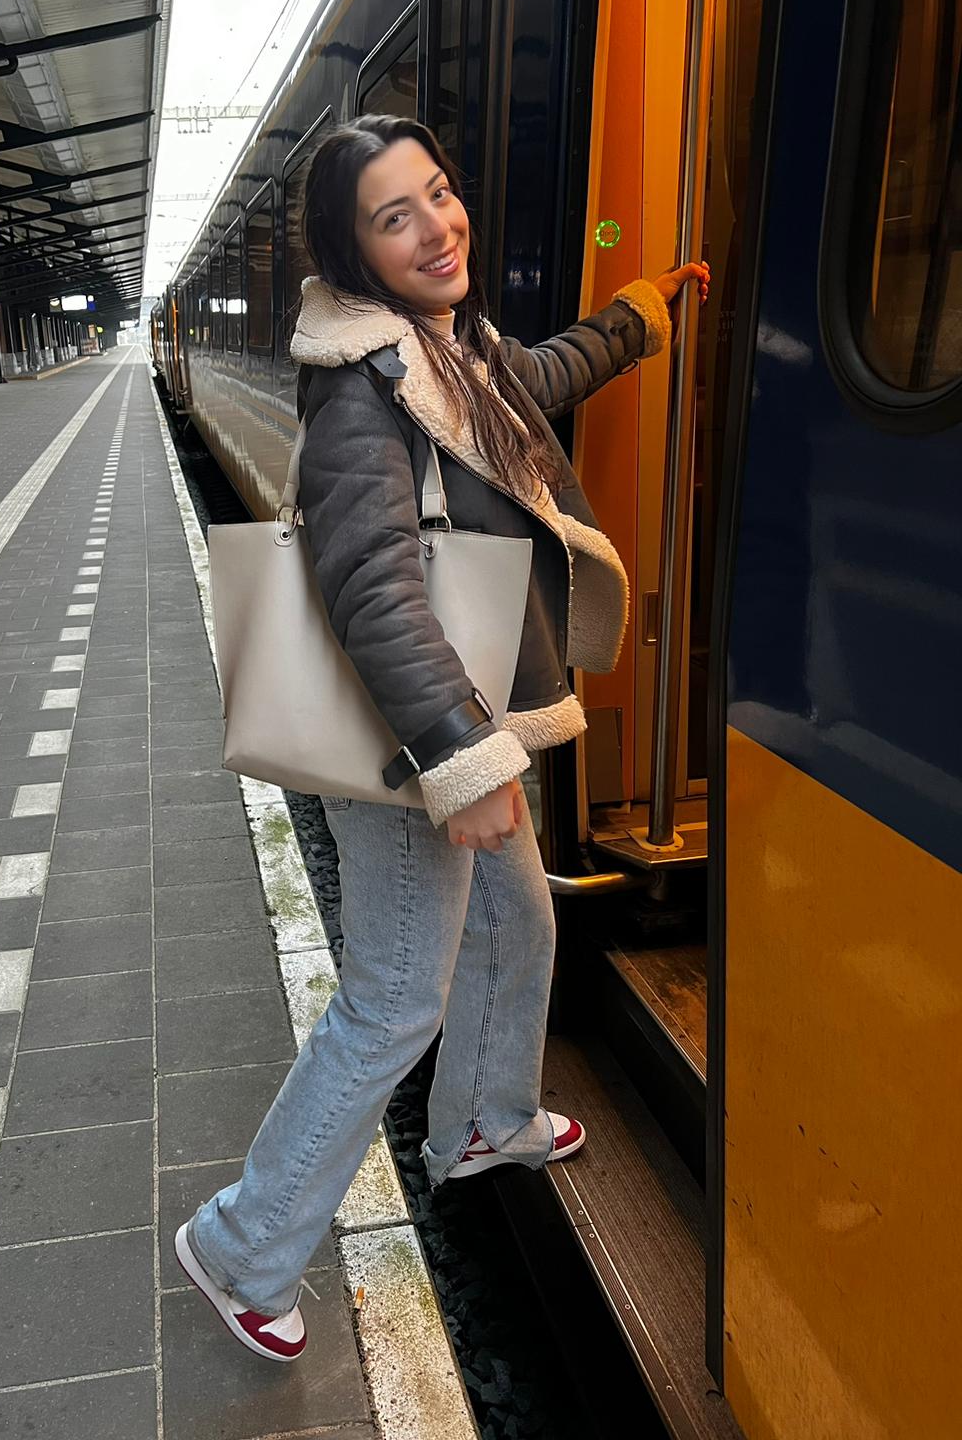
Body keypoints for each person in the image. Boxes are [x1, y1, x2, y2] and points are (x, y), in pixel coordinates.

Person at [175, 115, 709, 1362]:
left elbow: (536, 378)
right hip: (409, 746)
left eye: (439, 192)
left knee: (519, 923)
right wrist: (462, 760)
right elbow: (370, 586)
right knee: (394, 997)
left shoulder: (449, 349)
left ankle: (483, 1121)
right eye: (393, 215)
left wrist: (634, 320)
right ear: (351, 250)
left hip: (454, 727)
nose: (436, 226)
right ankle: (240, 1242)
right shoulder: (361, 389)